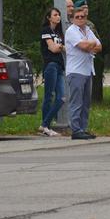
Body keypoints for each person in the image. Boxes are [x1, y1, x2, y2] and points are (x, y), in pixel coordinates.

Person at [65, 7, 102, 139]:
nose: (80, 19)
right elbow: (84, 46)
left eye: (82, 17)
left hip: (87, 71)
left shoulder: (87, 30)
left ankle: (83, 128)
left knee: (86, 102)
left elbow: (100, 46)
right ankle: (75, 129)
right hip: (75, 71)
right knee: (76, 102)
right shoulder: (71, 31)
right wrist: (90, 44)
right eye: (77, 17)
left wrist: (89, 45)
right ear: (72, 19)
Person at [38, 7, 65, 137]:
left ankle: (44, 124)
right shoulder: (46, 31)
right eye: (55, 15)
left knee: (61, 98)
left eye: (59, 15)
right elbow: (53, 49)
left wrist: (59, 47)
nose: (58, 17)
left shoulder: (59, 33)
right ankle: (46, 127)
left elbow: (59, 47)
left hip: (60, 66)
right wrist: (61, 47)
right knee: (49, 96)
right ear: (49, 17)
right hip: (51, 65)